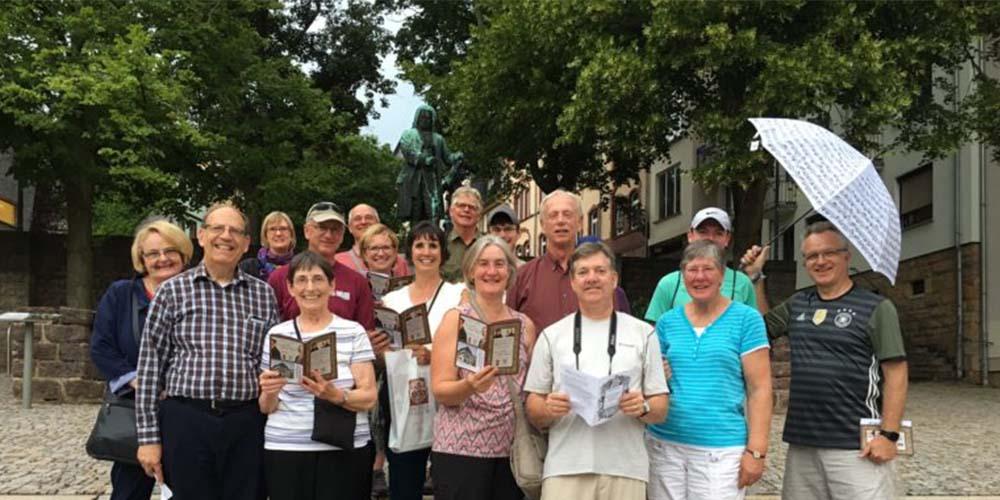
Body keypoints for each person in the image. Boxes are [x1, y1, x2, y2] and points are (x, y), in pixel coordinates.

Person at [747, 219, 907, 500]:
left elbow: (896, 372)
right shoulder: (799, 303)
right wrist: (756, 277)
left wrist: (889, 435)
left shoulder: (876, 307)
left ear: (846, 256)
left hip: (856, 446)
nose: (820, 261)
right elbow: (763, 329)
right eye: (811, 256)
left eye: (828, 253)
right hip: (802, 443)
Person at [135, 202, 279, 499]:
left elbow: (272, 365)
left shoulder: (263, 295)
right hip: (187, 420)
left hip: (246, 423)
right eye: (217, 228)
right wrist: (148, 439)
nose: (225, 236)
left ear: (246, 243)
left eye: (235, 231)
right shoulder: (173, 291)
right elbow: (150, 368)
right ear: (201, 235)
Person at [524, 242, 669, 500]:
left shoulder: (643, 334)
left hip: (626, 468)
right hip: (565, 468)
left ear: (614, 279)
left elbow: (661, 406)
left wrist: (643, 407)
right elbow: (533, 404)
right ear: (572, 282)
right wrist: (547, 409)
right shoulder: (551, 335)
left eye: (600, 271)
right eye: (583, 272)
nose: (592, 278)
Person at [644, 240, 773, 500]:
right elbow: (652, 379)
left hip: (721, 449)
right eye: (692, 270)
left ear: (722, 276)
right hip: (665, 444)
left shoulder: (747, 319)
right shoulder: (668, 322)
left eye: (708, 269)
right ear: (683, 275)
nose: (699, 277)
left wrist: (756, 451)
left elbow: (760, 389)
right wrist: (658, 374)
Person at [258, 251, 377, 500]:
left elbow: (369, 397)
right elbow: (267, 407)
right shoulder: (277, 335)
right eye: (301, 280)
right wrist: (269, 392)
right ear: (290, 287)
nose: (310, 287)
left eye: (318, 279)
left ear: (332, 285)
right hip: (286, 445)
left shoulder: (353, 332)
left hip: (343, 445)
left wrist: (336, 395)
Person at [90, 219, 193, 500]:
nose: (163, 259)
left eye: (170, 250)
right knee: (130, 491)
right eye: (153, 253)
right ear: (141, 259)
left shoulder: (199, 293)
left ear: (183, 254)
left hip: (185, 413)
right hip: (135, 409)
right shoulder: (121, 294)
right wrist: (139, 382)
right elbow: (101, 346)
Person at [429, 236, 537, 500]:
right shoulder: (455, 319)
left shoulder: (525, 325)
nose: (491, 271)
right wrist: (469, 386)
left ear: (510, 272)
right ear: (470, 272)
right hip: (460, 450)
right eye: (483, 264)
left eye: (500, 264)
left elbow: (531, 388)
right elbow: (440, 390)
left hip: (511, 452)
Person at [378, 221, 466, 500]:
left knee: (449, 481)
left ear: (442, 252)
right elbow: (385, 354)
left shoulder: (458, 294)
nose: (426, 252)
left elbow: (466, 346)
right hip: (405, 399)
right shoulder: (391, 299)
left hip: (447, 400)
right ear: (410, 252)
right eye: (419, 245)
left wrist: (434, 355)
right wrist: (387, 352)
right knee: (404, 482)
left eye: (433, 245)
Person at [509, 190, 630, 332]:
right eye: (553, 215)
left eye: (567, 214)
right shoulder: (522, 277)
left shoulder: (601, 279)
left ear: (579, 222)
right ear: (542, 224)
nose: (560, 221)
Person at [644, 207, 763, 324]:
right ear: (690, 235)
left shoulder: (742, 282)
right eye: (703, 232)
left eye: (718, 233)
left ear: (727, 238)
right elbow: (654, 335)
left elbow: (758, 329)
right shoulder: (669, 284)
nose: (710, 238)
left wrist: (755, 275)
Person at [268, 202, 375, 329]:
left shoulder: (357, 283)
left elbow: (366, 334)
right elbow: (269, 331)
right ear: (307, 231)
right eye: (322, 227)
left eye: (335, 229)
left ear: (342, 235)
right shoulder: (280, 277)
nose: (328, 235)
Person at [396, 104, 465, 225]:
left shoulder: (438, 139)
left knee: (434, 213)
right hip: (414, 180)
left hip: (432, 180)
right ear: (417, 118)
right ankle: (414, 240)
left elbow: (447, 158)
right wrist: (424, 159)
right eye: (422, 117)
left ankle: (435, 239)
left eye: (428, 118)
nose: (425, 120)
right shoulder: (409, 134)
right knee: (415, 213)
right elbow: (407, 151)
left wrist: (456, 157)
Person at [336, 204, 409, 277]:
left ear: (378, 223)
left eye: (369, 217)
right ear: (349, 228)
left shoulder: (399, 262)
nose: (363, 222)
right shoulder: (337, 261)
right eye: (357, 219)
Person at [440, 185, 483, 282]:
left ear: (479, 215)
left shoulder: (488, 246)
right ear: (451, 211)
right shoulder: (440, 244)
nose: (466, 210)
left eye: (472, 207)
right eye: (461, 206)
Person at [239, 211, 296, 282]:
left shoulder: (301, 266)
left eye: (283, 229)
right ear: (265, 236)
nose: (278, 233)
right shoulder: (248, 268)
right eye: (272, 229)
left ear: (291, 234)